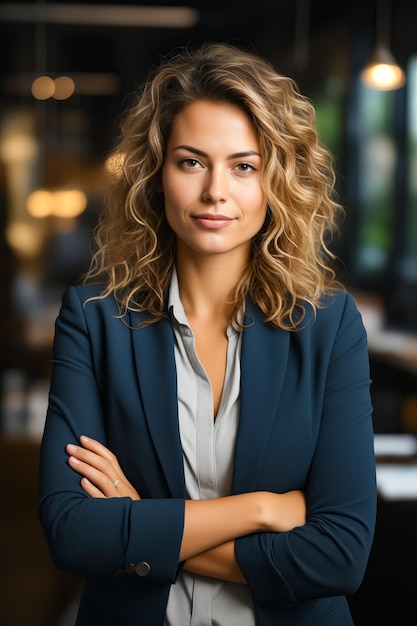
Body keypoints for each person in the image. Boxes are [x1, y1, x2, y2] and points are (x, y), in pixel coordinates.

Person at [37, 41, 377, 626]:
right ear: (156, 174)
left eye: (243, 166)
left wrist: (144, 524)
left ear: (274, 182)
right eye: (191, 161)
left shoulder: (330, 326)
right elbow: (74, 534)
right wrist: (264, 510)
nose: (216, 190)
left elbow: (339, 557)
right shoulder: (93, 320)